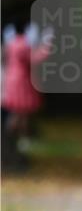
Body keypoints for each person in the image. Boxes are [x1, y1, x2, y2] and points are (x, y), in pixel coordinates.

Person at [1, 21, 52, 172]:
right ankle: (18, 139)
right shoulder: (23, 45)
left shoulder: (11, 43)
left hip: (12, 80)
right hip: (21, 81)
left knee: (18, 111)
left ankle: (18, 138)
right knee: (21, 111)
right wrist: (47, 43)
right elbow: (36, 58)